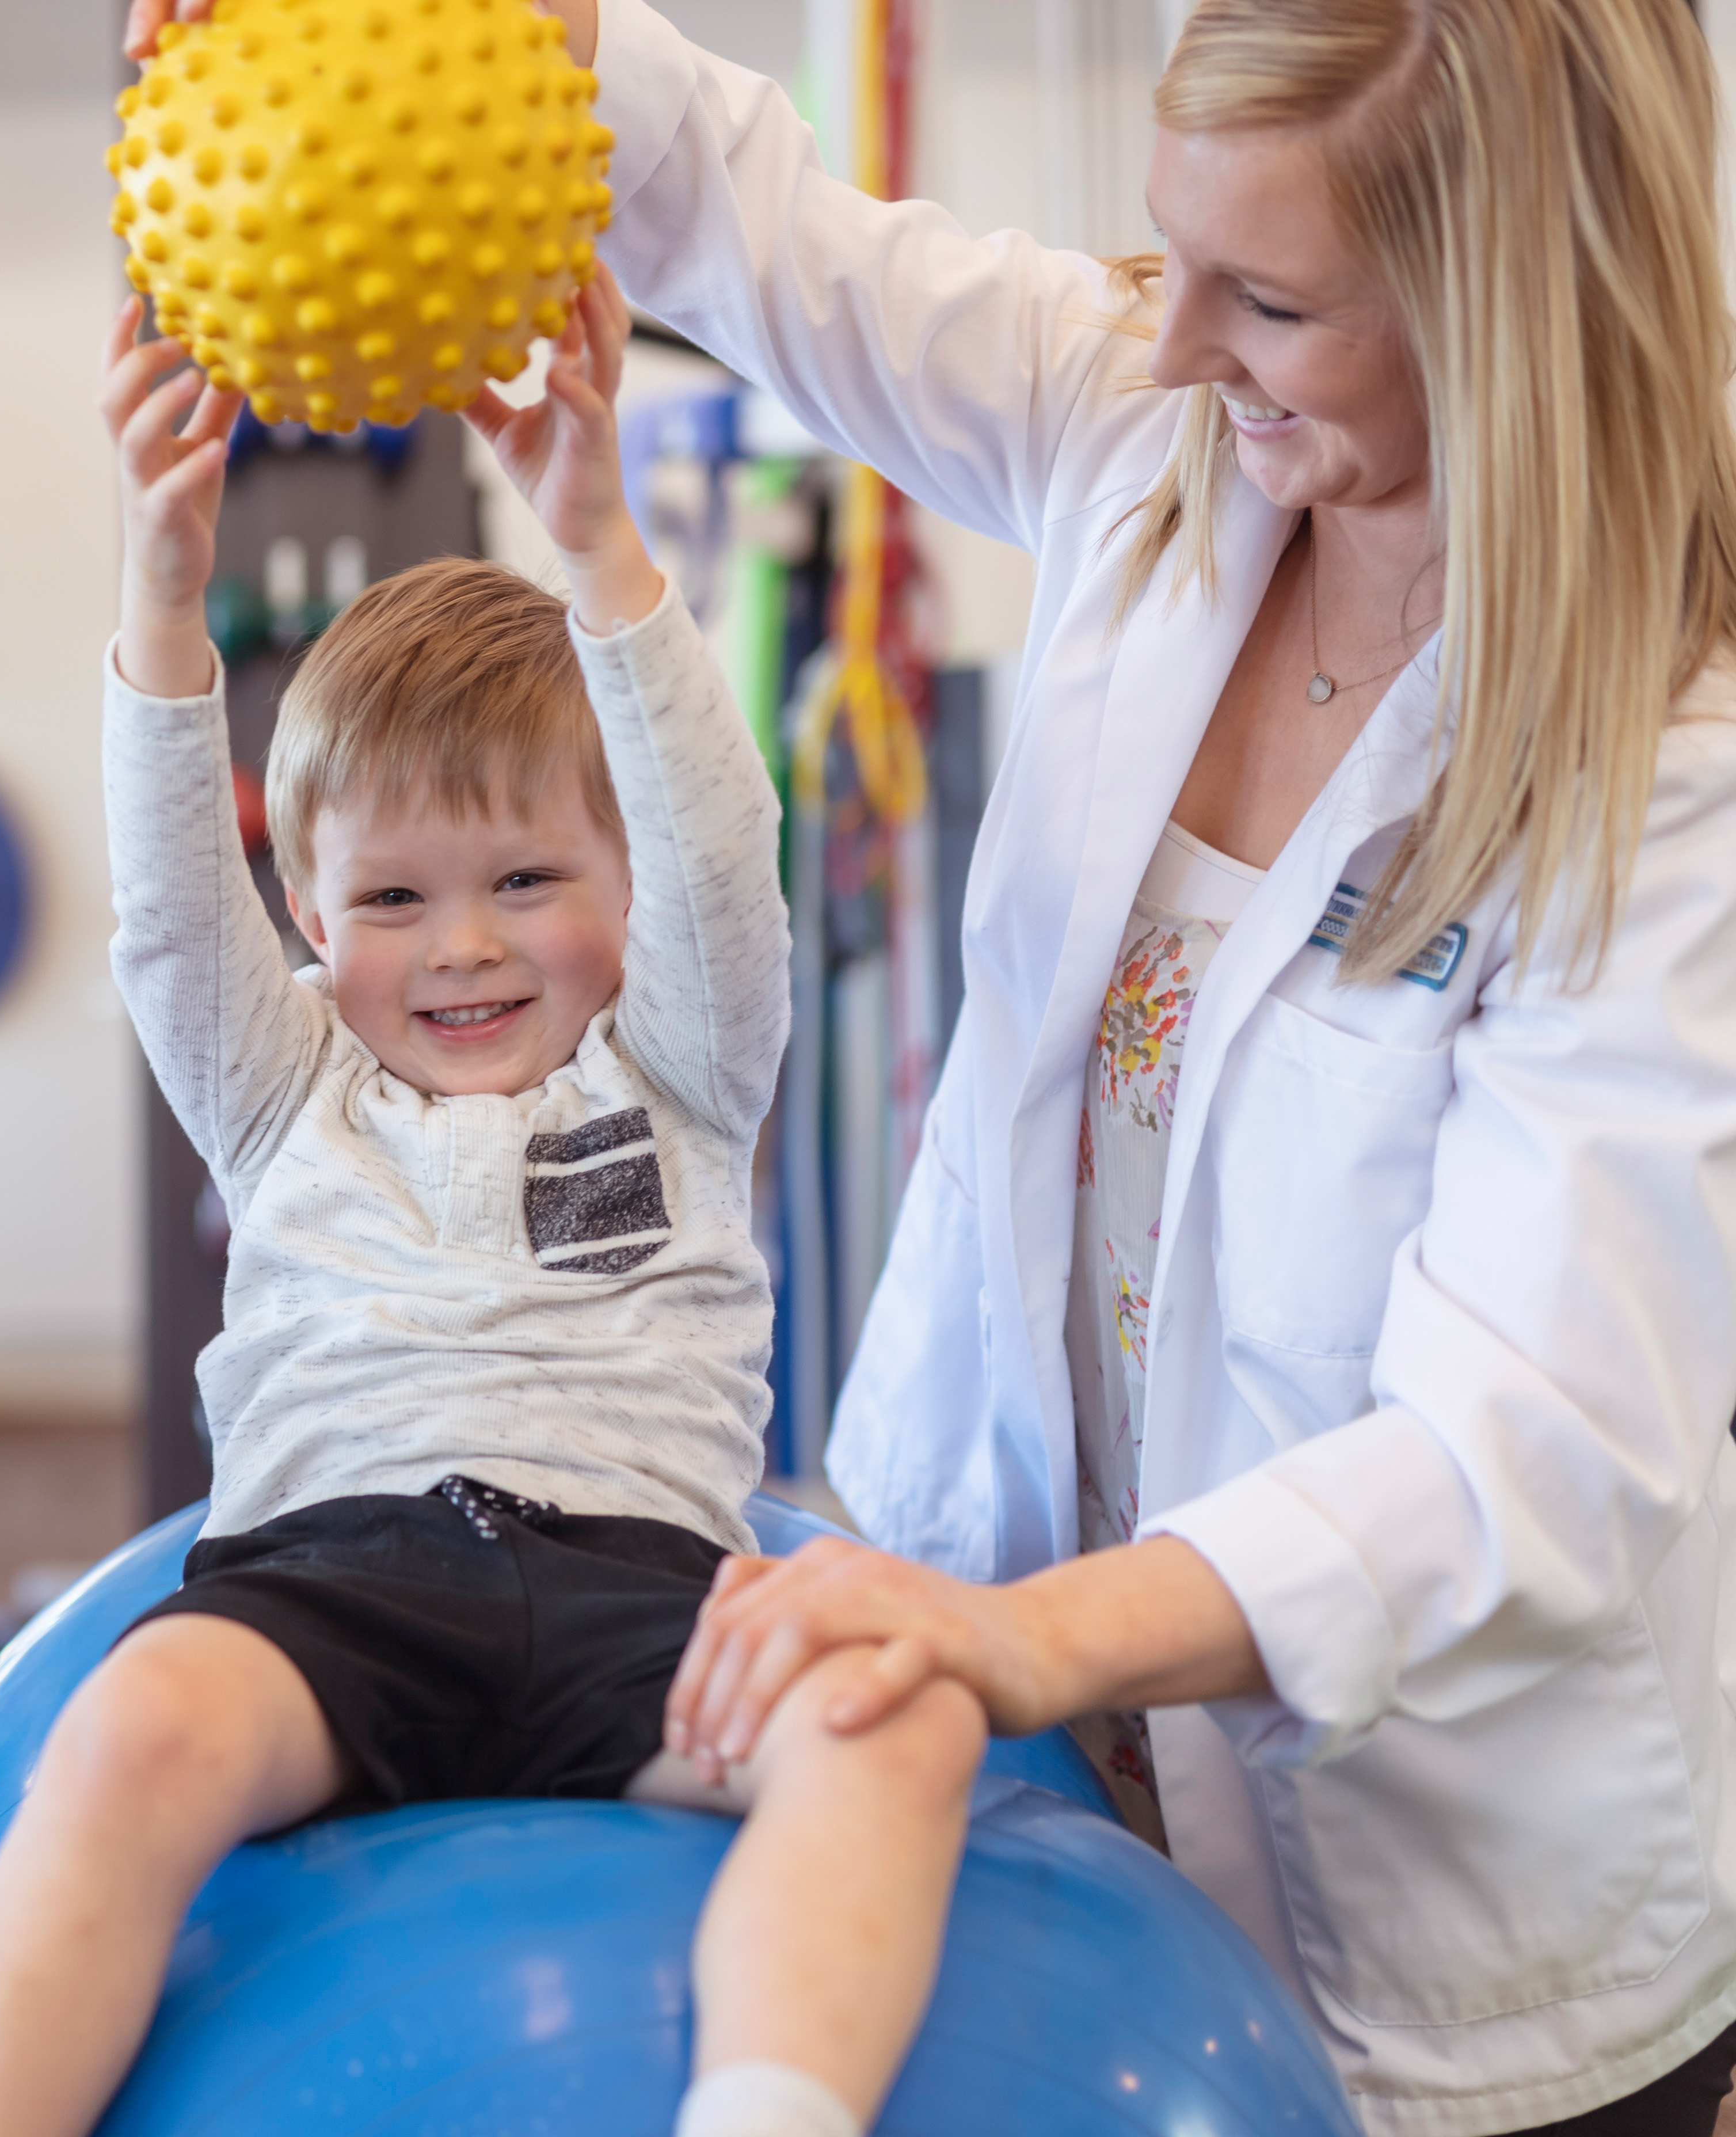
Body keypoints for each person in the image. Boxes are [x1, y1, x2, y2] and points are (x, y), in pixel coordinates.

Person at [117, 0, 1736, 2127]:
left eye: (1271, 299)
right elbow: (757, 223)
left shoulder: (1672, 777)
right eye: (1180, 258)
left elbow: (1525, 1444)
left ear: (1510, 312)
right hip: (1011, 1739)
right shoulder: (1150, 426)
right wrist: (450, 30)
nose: (1174, 348)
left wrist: (1031, 1644)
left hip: (1438, 1898)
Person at [0, 272, 983, 2137]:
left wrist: (597, 543)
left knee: (901, 1718)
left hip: (649, 1598)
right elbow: (171, 909)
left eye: (526, 879)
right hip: (335, 1585)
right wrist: (166, 596)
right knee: (131, 1727)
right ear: (315, 918)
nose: (464, 946)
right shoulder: (286, 1088)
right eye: (393, 901)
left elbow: (724, 850)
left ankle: (772, 2110)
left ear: (621, 878)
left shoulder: (685, 1061)